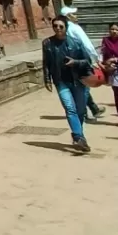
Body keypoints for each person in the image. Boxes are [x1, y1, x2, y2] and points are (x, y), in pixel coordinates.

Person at [43, 15, 94, 154]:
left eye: (61, 26)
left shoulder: (76, 42)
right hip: (61, 81)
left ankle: (78, 136)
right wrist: (47, 79)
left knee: (80, 111)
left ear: (66, 27)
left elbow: (87, 61)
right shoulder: (47, 43)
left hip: (78, 80)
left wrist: (75, 62)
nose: (58, 29)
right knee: (69, 108)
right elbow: (46, 63)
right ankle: (79, 137)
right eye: (55, 26)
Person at [60, 1, 104, 119]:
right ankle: (83, 112)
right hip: (81, 59)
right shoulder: (75, 28)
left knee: (80, 84)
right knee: (84, 85)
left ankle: (93, 108)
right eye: (73, 14)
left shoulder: (63, 29)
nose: (76, 16)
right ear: (68, 16)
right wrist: (96, 58)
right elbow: (87, 44)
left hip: (69, 60)